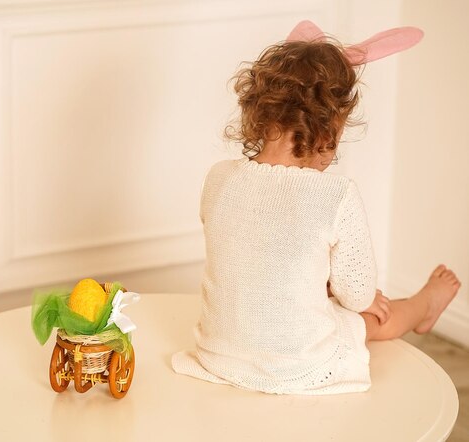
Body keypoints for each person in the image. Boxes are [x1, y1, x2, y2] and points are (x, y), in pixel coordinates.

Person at [171, 21, 461, 395]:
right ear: (329, 131)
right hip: (297, 366)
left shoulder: (218, 178)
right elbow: (355, 294)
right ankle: (424, 305)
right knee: (372, 318)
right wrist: (365, 297)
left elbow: (253, 247)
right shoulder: (335, 195)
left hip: (219, 354)